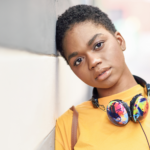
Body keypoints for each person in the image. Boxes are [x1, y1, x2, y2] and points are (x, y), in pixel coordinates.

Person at [55, 5, 150, 150]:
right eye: (78, 61)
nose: (93, 62)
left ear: (120, 40)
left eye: (98, 45)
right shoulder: (69, 125)